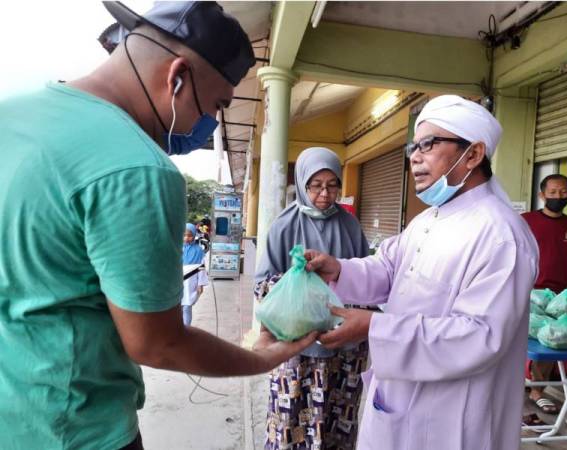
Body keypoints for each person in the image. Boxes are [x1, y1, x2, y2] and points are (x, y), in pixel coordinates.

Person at [0, 3, 316, 450]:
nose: (207, 125)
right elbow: (157, 343)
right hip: (73, 429)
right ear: (177, 78)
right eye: (216, 105)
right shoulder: (138, 168)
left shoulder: (11, 115)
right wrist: (260, 358)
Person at [302, 95, 539, 450]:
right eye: (414, 146)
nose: (414, 156)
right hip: (399, 399)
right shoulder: (428, 219)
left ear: (472, 154)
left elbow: (480, 336)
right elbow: (388, 268)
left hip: (454, 418)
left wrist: (374, 326)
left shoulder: (502, 235)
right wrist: (338, 268)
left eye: (428, 144)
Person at [254, 147, 371, 450]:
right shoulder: (283, 226)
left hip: (342, 346)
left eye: (332, 185)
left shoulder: (350, 226)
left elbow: (369, 279)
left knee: (336, 420)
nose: (324, 193)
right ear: (302, 184)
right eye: (316, 185)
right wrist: (301, 282)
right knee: (291, 420)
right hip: (297, 346)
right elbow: (262, 286)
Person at [522, 174, 567, 414]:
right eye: (552, 192)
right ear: (542, 195)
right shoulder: (525, 220)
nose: (558, 196)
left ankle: (537, 391)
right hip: (527, 291)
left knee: (549, 342)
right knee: (517, 340)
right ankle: (514, 382)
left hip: (559, 296)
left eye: (563, 192)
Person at [182, 223, 209, 326]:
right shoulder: (177, 249)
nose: (186, 238)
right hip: (178, 283)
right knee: (178, 307)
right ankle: (179, 329)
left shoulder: (198, 251)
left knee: (187, 306)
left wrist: (200, 284)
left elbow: (201, 268)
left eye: (189, 235)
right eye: (184, 235)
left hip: (191, 282)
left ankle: (186, 329)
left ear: (194, 235)